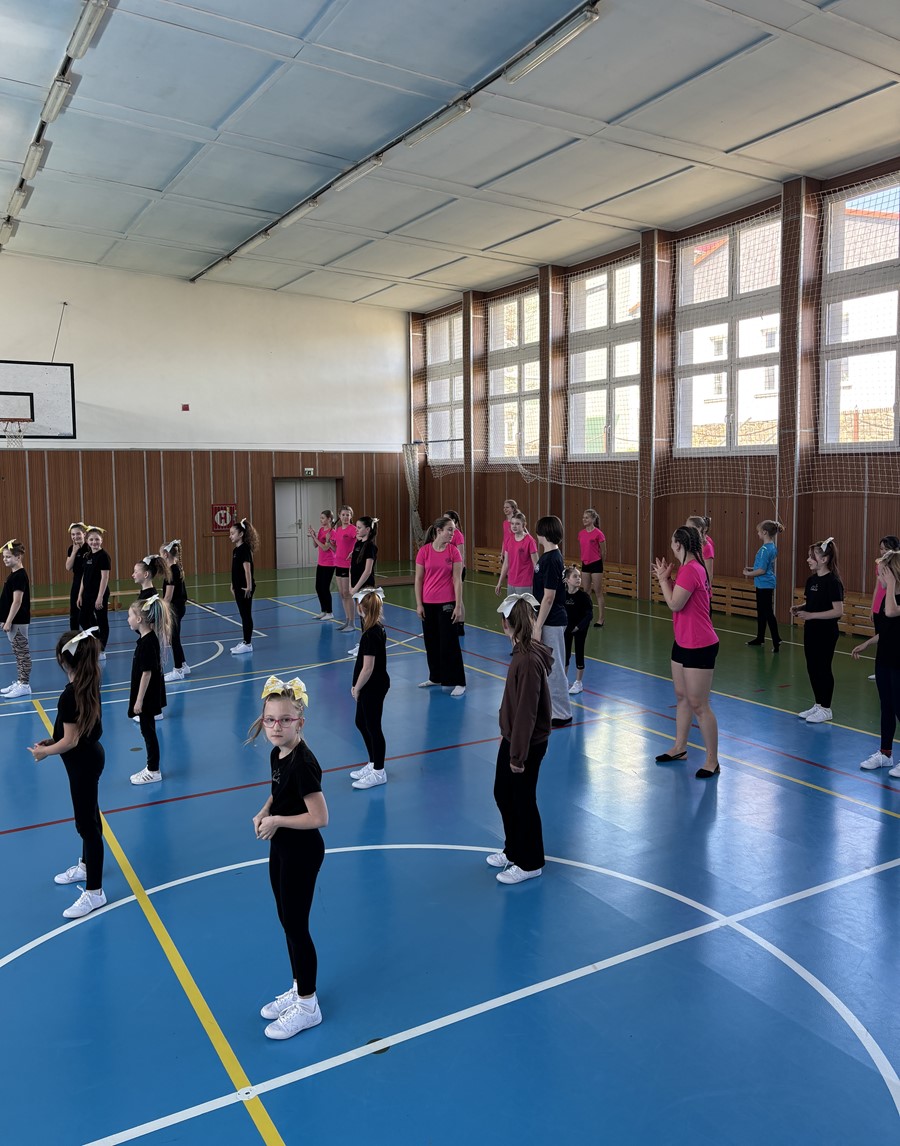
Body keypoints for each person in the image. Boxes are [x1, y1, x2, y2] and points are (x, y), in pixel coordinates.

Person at [248, 675, 327, 1040]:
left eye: (284, 720)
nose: (276, 726)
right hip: (282, 847)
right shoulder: (278, 752)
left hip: (302, 851)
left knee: (297, 926)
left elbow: (320, 817)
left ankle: (308, 1006)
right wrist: (266, 810)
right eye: (270, 720)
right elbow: (279, 791)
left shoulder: (303, 763)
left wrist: (277, 820)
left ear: (300, 722)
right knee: (286, 921)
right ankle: (299, 987)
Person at [28, 629, 106, 919]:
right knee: (91, 815)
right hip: (89, 757)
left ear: (63, 661)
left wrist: (45, 752)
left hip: (82, 763)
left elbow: (70, 741)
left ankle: (95, 892)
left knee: (87, 826)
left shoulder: (71, 694)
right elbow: (75, 732)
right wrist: (52, 740)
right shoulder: (88, 682)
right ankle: (86, 865)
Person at [487, 594, 552, 885]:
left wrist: (518, 755)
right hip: (513, 737)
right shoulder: (523, 652)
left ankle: (531, 861)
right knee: (503, 792)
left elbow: (527, 711)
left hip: (525, 743)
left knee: (523, 799)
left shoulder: (526, 660)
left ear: (506, 624)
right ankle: (513, 848)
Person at [652, 525, 720, 778]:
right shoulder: (687, 568)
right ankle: (680, 747)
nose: (671, 546)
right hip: (683, 641)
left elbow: (675, 604)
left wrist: (662, 581)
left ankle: (712, 760)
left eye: (672, 542)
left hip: (699, 644)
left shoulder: (691, 569)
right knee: (681, 696)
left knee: (699, 705)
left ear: (679, 545)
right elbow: (682, 597)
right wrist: (668, 579)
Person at [853, 549, 900, 778]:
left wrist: (890, 584)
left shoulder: (891, 600)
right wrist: (868, 643)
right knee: (887, 707)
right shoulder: (887, 598)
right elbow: (888, 630)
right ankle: (885, 753)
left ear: (893, 574)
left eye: (882, 573)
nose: (878, 577)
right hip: (884, 659)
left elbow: (892, 612)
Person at [791, 537, 844, 724]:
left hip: (826, 632)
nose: (808, 560)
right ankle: (819, 704)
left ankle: (826, 709)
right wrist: (800, 607)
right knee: (812, 668)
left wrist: (811, 615)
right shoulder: (811, 580)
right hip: (811, 631)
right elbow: (814, 603)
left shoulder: (833, 582)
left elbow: (838, 611)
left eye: (811, 557)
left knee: (823, 668)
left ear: (824, 559)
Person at [415, 515, 465, 697]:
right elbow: (418, 579)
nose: (453, 533)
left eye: (454, 530)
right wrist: (419, 604)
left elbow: (457, 580)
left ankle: (459, 681)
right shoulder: (424, 551)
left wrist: (458, 605)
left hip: (447, 603)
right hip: (428, 603)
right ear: (439, 531)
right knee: (431, 642)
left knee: (449, 643)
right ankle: (435, 676)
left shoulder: (454, 552)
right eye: (449, 530)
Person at [348, 588, 391, 789]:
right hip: (371, 685)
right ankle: (373, 763)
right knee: (360, 722)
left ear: (361, 609)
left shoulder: (371, 634)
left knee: (373, 727)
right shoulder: (374, 628)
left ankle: (379, 772)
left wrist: (357, 688)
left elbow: (368, 668)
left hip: (373, 686)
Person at [127, 595, 172, 783]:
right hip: (148, 695)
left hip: (146, 696)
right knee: (148, 730)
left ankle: (153, 770)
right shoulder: (147, 638)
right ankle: (152, 767)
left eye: (130, 616)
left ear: (139, 619)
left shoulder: (147, 643)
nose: (128, 620)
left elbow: (146, 674)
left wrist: (139, 701)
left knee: (148, 732)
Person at [532, 515, 572, 726]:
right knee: (547, 667)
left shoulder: (552, 559)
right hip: (547, 618)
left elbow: (549, 596)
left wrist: (538, 625)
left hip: (551, 620)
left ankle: (562, 713)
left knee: (554, 667)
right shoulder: (548, 556)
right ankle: (550, 709)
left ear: (544, 533)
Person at [743, 520, 784, 651]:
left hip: (764, 584)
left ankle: (776, 639)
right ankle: (760, 637)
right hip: (765, 583)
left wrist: (748, 573)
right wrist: (753, 568)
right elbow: (764, 566)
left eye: (759, 532)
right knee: (762, 612)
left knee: (767, 613)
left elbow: (761, 570)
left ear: (765, 532)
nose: (758, 534)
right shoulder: (772, 547)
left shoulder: (764, 550)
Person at [0, 539, 32, 698]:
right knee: (17, 653)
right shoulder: (13, 575)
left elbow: (17, 601)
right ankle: (20, 681)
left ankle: (25, 685)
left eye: (8, 557)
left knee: (22, 654)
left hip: (17, 621)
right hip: (12, 621)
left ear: (18, 557)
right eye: (4, 557)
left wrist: (8, 621)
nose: (4, 559)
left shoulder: (19, 576)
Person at [867, 536, 900, 681]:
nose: (883, 552)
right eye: (881, 549)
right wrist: (873, 607)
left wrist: (890, 583)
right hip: (881, 604)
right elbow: (878, 587)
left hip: (891, 603)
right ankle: (881, 668)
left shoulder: (893, 570)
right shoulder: (880, 565)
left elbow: (892, 611)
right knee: (881, 635)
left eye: (886, 549)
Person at [77, 526, 111, 661]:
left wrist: (100, 597)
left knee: (102, 620)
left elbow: (105, 577)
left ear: (101, 540)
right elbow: (84, 577)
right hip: (87, 594)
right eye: (91, 539)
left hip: (99, 594)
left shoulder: (104, 556)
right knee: (83, 619)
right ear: (87, 541)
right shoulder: (87, 555)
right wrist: (80, 594)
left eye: (97, 539)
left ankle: (101, 650)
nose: (94, 542)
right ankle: (97, 638)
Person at [160, 539, 190, 682]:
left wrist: (162, 611)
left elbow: (168, 596)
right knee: (175, 638)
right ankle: (183, 665)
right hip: (179, 608)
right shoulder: (176, 567)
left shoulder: (171, 571)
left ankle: (178, 670)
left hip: (174, 609)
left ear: (166, 555)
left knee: (174, 639)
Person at [229, 517, 258, 654]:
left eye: (232, 533)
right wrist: (232, 584)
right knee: (243, 615)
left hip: (245, 588)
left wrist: (249, 587)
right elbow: (235, 570)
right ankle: (245, 641)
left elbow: (247, 570)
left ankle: (248, 643)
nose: (230, 536)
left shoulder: (245, 549)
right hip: (238, 587)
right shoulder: (236, 550)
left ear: (240, 534)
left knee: (246, 615)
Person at [562, 565, 592, 695]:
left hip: (580, 629)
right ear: (567, 580)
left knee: (579, 652)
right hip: (566, 628)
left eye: (579, 576)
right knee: (565, 654)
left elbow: (589, 615)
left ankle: (578, 682)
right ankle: (563, 680)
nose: (578, 579)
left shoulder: (584, 596)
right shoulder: (563, 595)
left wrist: (578, 627)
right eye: (575, 576)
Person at [345, 516, 378, 632]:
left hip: (365, 588)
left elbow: (367, 571)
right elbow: (352, 567)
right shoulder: (357, 545)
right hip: (356, 587)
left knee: (367, 618)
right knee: (361, 616)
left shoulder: (371, 547)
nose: (356, 530)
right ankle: (364, 639)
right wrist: (351, 586)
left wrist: (356, 588)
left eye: (359, 527)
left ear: (368, 529)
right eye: (356, 527)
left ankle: (369, 640)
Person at [496, 512, 538, 596]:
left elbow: (536, 564)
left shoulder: (530, 541)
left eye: (517, 524)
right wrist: (500, 582)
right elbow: (506, 563)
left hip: (525, 583)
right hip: (511, 582)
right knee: (512, 605)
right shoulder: (509, 540)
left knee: (524, 605)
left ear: (524, 525)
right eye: (512, 523)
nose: (514, 526)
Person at [578, 509, 606, 627]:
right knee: (586, 592)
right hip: (585, 564)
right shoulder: (581, 533)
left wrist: (600, 564)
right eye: (583, 517)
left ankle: (601, 619)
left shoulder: (598, 533)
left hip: (596, 564)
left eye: (587, 517)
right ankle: (588, 615)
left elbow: (603, 551)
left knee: (598, 592)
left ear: (593, 519)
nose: (584, 519)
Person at [332, 506, 357, 632]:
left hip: (348, 565)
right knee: (342, 594)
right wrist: (329, 543)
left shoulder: (353, 529)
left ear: (351, 516)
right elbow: (337, 548)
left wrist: (354, 551)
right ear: (339, 516)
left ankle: (352, 623)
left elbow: (361, 541)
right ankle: (347, 621)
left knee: (348, 593)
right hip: (338, 564)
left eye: (348, 515)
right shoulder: (338, 530)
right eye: (343, 515)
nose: (345, 517)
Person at [307, 510, 336, 621]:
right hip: (321, 562)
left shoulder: (332, 532)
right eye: (320, 518)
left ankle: (330, 612)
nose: (321, 520)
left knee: (325, 588)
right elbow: (316, 545)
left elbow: (325, 547)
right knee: (318, 587)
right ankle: (323, 611)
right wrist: (313, 536)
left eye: (323, 518)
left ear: (329, 519)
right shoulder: (321, 530)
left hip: (329, 563)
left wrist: (315, 538)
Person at [445, 509, 466, 636]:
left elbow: (461, 555)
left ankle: (461, 624)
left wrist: (458, 572)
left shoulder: (458, 535)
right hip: (448, 569)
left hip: (457, 570)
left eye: (447, 518)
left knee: (458, 598)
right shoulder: (446, 534)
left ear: (454, 521)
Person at [65, 522, 89, 630]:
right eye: (73, 534)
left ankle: (92, 636)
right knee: (74, 614)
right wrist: (74, 552)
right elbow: (68, 567)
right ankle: (74, 636)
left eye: (78, 534)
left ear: (84, 534)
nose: (75, 537)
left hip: (88, 583)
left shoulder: (89, 547)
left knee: (85, 615)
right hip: (76, 583)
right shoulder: (71, 548)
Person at [686, 515, 715, 585]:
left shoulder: (707, 547)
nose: (686, 531)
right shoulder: (694, 543)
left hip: (700, 586)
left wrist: (705, 589)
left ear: (699, 528)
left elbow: (709, 575)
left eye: (689, 528)